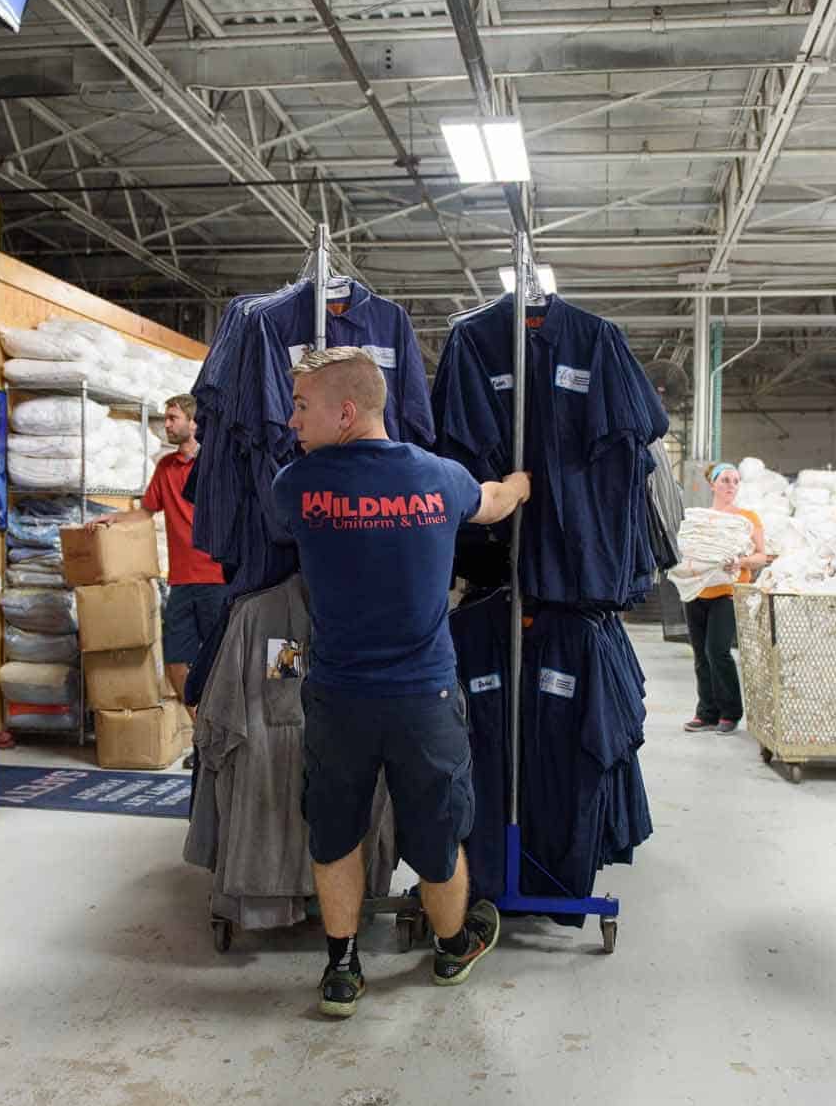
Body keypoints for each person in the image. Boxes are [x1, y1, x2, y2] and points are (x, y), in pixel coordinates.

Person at [271, 346, 532, 1019]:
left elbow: (281, 531)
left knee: (336, 834)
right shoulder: (440, 479)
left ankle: (342, 970)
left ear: (346, 412)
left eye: (303, 406)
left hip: (338, 698)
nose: (292, 420)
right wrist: (522, 485)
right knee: (438, 836)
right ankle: (450, 947)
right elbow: (495, 504)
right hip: (424, 697)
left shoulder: (295, 486)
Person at [88, 394, 225, 703]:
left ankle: (216, 735)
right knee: (176, 661)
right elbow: (146, 511)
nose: (167, 425)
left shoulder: (216, 464)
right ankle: (199, 731)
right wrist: (115, 518)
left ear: (193, 423)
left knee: (219, 661)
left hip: (215, 578)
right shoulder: (165, 466)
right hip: (180, 581)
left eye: (173, 418)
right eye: (166, 418)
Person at [683, 462, 769, 735]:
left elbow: (761, 556)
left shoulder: (747, 518)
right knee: (700, 654)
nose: (731, 486)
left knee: (717, 650)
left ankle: (731, 712)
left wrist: (740, 562)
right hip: (697, 590)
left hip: (728, 592)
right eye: (725, 481)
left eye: (735, 481)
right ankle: (706, 713)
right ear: (713, 484)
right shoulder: (701, 520)